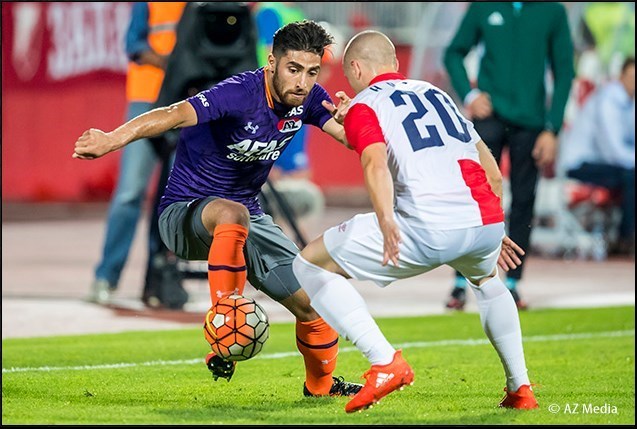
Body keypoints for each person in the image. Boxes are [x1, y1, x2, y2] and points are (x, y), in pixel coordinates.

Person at [73, 20, 362, 399]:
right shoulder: (238, 93)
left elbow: (350, 139)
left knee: (314, 301)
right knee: (231, 213)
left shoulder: (308, 99)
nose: (303, 82)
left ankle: (320, 388)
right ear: (272, 62)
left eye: (311, 72)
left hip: (248, 219)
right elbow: (172, 114)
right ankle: (225, 320)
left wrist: (353, 120)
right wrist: (112, 138)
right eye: (294, 69)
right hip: (184, 215)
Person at [292, 30, 537, 413]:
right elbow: (490, 167)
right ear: (394, 63)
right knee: (488, 282)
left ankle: (384, 361)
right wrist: (495, 227)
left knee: (308, 264)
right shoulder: (437, 94)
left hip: (426, 226)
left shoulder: (366, 103)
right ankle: (520, 388)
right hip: (483, 219)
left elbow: (374, 162)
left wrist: (386, 219)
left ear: (355, 68)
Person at [442, 2, 575, 310]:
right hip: (489, 117)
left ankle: (513, 282)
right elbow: (453, 53)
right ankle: (461, 281)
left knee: (524, 199)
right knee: (475, 195)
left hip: (532, 122)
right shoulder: (484, 6)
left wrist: (552, 128)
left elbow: (565, 70)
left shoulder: (552, 11)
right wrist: (470, 95)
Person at [87, 2, 187, 307]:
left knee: (172, 199)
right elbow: (134, 43)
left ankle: (158, 281)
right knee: (130, 192)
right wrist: (173, 64)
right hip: (147, 98)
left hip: (185, 105)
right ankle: (106, 277)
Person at [253, 2, 325, 241]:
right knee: (274, 178)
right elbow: (270, 58)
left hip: (293, 103)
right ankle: (280, 243)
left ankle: (294, 245)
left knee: (299, 176)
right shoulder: (269, 12)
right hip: (275, 105)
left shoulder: (296, 14)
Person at [559, 57, 635, 256]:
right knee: (631, 177)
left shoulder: (630, 103)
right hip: (580, 164)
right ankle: (625, 239)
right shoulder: (608, 100)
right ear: (621, 77)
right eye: (631, 77)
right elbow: (614, 151)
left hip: (607, 164)